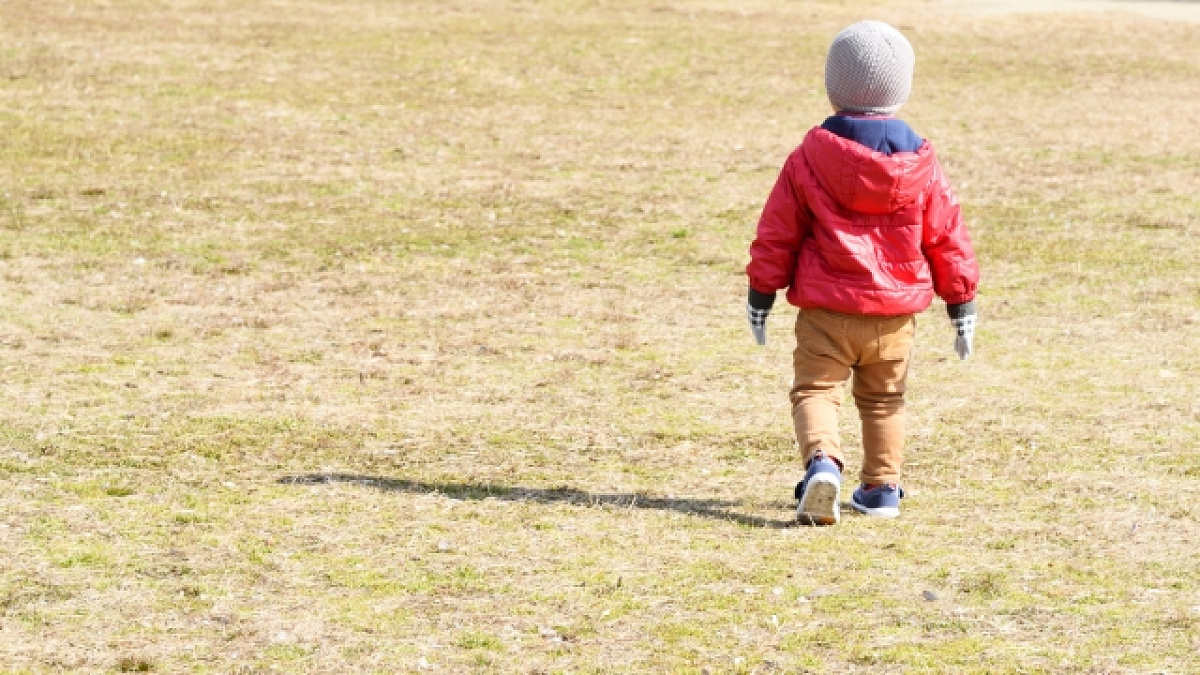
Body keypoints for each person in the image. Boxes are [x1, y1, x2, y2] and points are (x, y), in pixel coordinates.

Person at [745, 20, 979, 525]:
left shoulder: (810, 155)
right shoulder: (923, 162)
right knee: (884, 400)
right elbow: (947, 235)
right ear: (902, 89)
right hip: (895, 315)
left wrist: (761, 292)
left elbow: (778, 230)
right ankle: (880, 488)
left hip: (827, 308)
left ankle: (822, 462)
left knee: (815, 391)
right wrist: (961, 305)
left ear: (834, 88)